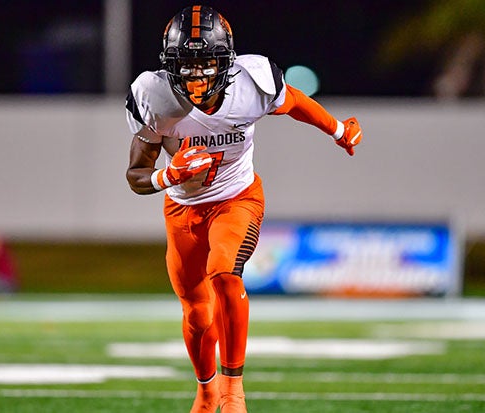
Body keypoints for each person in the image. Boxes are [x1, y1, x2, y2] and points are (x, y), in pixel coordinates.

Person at [125, 5, 363, 412]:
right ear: (169, 67)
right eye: (187, 65)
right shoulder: (155, 96)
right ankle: (206, 389)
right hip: (182, 210)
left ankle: (234, 388)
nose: (197, 75)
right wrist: (170, 176)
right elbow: (135, 174)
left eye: (206, 64)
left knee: (224, 271)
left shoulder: (252, 83)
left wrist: (338, 129)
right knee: (197, 313)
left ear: (227, 63)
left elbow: (295, 102)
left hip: (237, 197)